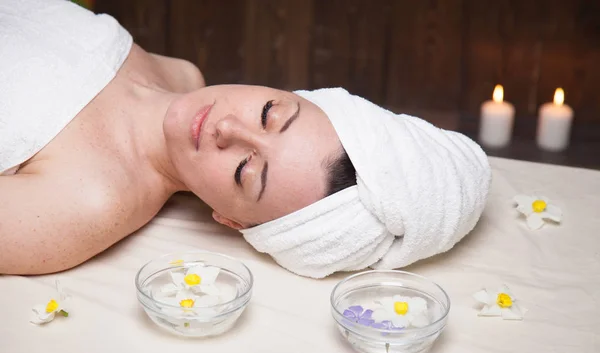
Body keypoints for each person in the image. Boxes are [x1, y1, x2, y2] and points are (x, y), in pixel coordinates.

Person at [1, 0, 491, 278]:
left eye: (244, 170)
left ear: (230, 220)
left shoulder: (87, 202)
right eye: (271, 112)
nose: (226, 128)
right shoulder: (183, 76)